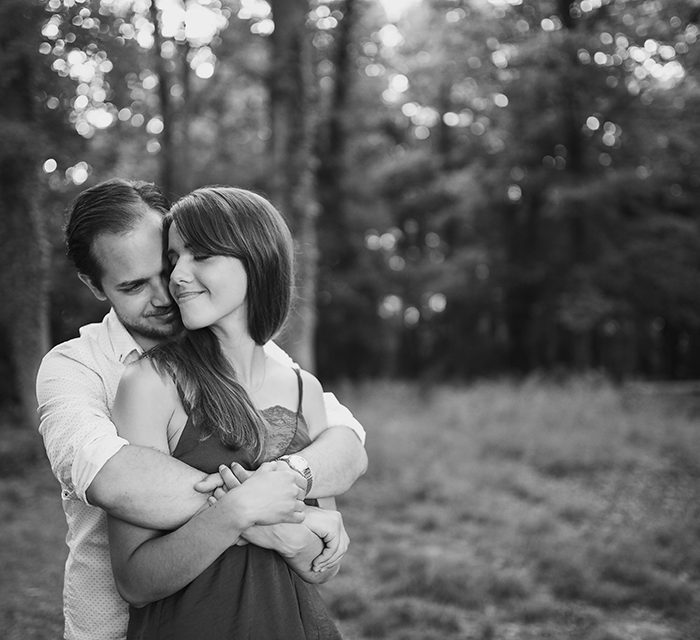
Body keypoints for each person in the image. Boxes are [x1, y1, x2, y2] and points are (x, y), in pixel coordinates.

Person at [36, 179, 367, 640]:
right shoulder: (76, 368)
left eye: (169, 263)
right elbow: (111, 475)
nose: (168, 290)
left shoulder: (273, 366)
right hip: (124, 624)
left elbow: (345, 437)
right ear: (94, 285)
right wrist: (264, 511)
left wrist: (285, 494)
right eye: (134, 285)